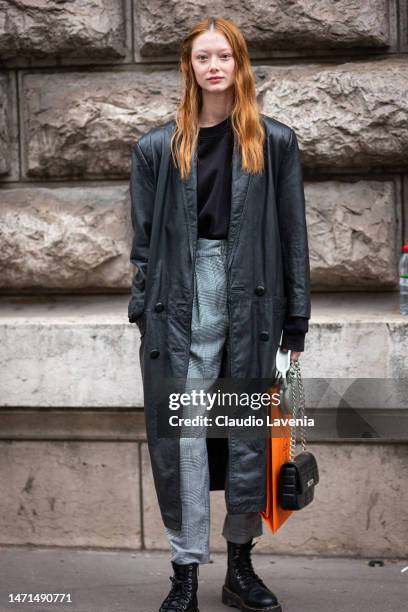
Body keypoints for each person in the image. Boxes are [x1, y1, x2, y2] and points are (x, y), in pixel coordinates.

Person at [128, 16, 310, 612]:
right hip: (180, 310)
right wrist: (143, 313)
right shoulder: (157, 147)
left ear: (239, 65)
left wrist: (297, 322)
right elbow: (144, 243)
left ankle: (239, 569)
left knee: (244, 439)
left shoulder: (274, 141)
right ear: (189, 67)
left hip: (249, 305)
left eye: (224, 56)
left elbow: (292, 237)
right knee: (181, 440)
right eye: (203, 57)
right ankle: (184, 572)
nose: (214, 66)